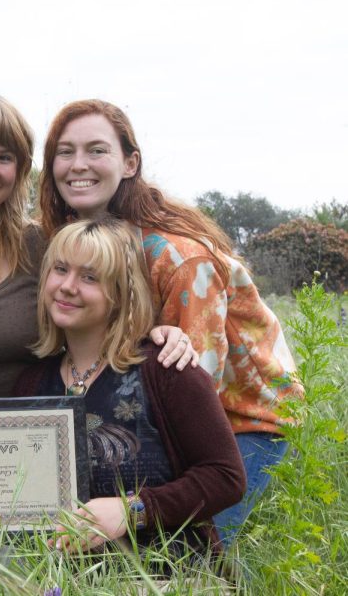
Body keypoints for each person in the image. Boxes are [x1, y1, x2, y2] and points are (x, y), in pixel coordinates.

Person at [39, 99, 303, 544]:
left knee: (192, 536)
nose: (78, 164)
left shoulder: (181, 259)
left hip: (243, 421)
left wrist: (139, 506)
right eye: (65, 152)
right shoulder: (78, 241)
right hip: (157, 403)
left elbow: (196, 398)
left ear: (130, 162)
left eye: (96, 150)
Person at [0, 93, 194, 400]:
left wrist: (161, 335)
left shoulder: (50, 247)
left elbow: (112, 323)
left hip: (51, 434)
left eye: (4, 158)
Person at [14, 217, 246, 555]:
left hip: (168, 576)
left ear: (121, 293)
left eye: (90, 277)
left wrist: (132, 510)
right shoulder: (31, 384)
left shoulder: (167, 369)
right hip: (60, 583)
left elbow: (226, 478)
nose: (67, 286)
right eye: (60, 269)